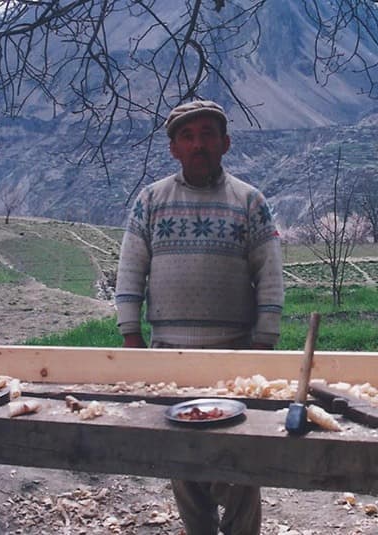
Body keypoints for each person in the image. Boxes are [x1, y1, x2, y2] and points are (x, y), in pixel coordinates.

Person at [115, 99, 284, 535]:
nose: (198, 144)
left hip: (235, 357)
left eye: (208, 134)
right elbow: (131, 267)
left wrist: (263, 344)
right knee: (183, 460)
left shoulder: (250, 202)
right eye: (188, 137)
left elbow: (269, 275)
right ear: (174, 148)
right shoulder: (151, 201)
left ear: (225, 143)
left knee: (239, 461)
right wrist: (131, 335)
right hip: (168, 357)